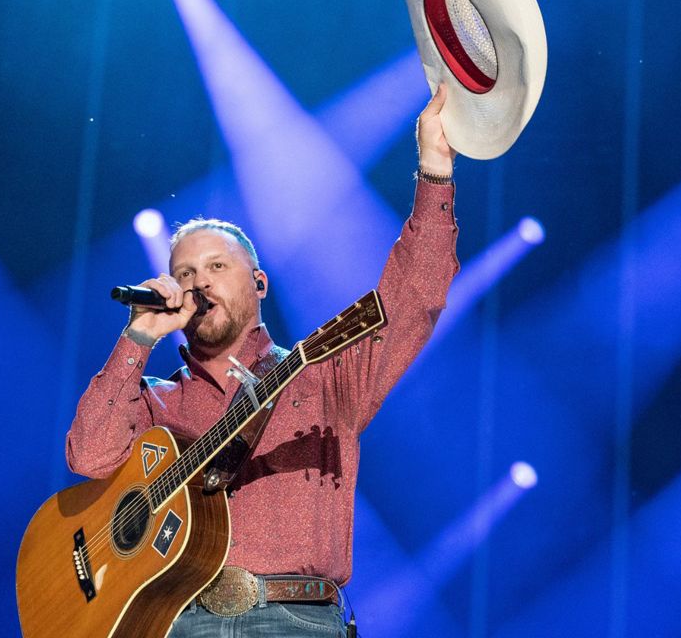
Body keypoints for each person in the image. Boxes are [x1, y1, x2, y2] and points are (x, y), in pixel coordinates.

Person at [66, 86, 460, 636]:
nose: (198, 281)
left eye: (216, 266)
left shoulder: (323, 378)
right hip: (173, 623)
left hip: (293, 620)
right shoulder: (157, 399)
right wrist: (137, 338)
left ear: (259, 283)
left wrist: (434, 171)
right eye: (183, 273)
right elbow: (88, 456)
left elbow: (412, 300)